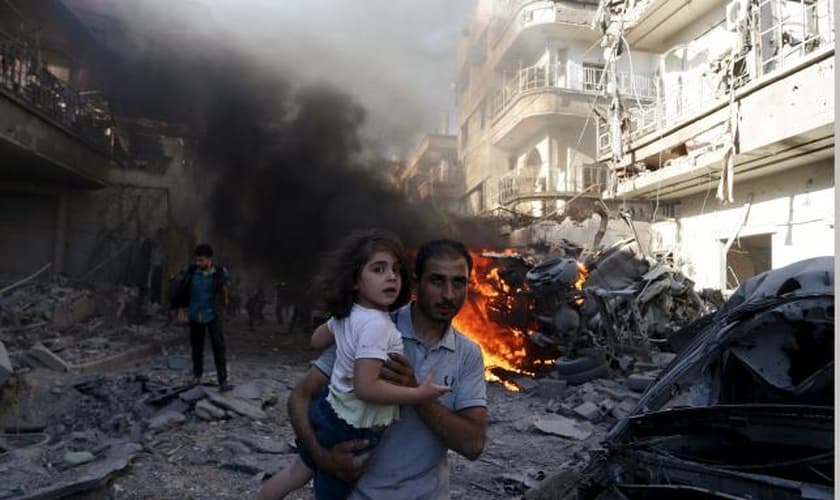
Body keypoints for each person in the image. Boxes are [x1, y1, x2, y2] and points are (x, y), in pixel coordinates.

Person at [259, 238, 487, 500]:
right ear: (416, 281)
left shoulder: (467, 354)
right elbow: (300, 396)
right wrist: (321, 458)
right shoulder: (373, 326)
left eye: (459, 282)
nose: (448, 294)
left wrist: (416, 393)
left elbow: (473, 445)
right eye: (437, 281)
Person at [170, 243, 232, 392]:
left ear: (210, 259)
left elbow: (225, 292)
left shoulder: (220, 273)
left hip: (212, 315)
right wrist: (176, 307)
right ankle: (197, 377)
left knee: (219, 347)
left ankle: (222, 381)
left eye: (201, 261)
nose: (198, 263)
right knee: (196, 348)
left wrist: (223, 306)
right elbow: (178, 288)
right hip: (195, 314)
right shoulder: (190, 271)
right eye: (197, 260)